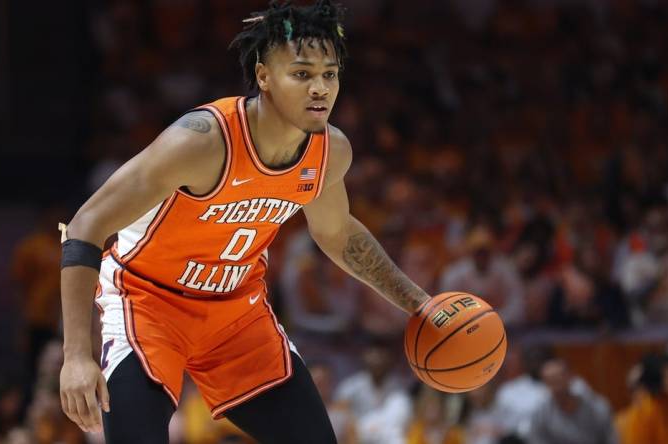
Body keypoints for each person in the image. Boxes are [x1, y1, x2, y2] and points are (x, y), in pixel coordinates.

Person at [58, 1, 432, 443]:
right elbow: (86, 225)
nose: (320, 88)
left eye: (329, 74)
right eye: (302, 74)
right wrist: (77, 355)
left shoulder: (330, 152)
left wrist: (420, 304)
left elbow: (337, 233)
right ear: (263, 77)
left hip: (236, 313)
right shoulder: (201, 140)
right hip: (148, 303)